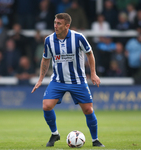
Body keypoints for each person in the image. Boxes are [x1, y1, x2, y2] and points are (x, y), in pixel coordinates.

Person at [31, 13, 104, 147]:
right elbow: (45, 59)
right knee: (46, 106)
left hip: (78, 81)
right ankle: (55, 133)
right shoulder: (49, 40)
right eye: (55, 22)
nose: (55, 25)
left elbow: (90, 54)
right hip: (58, 81)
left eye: (59, 23)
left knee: (88, 110)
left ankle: (95, 140)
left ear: (67, 26)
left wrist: (93, 74)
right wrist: (40, 79)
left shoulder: (79, 37)